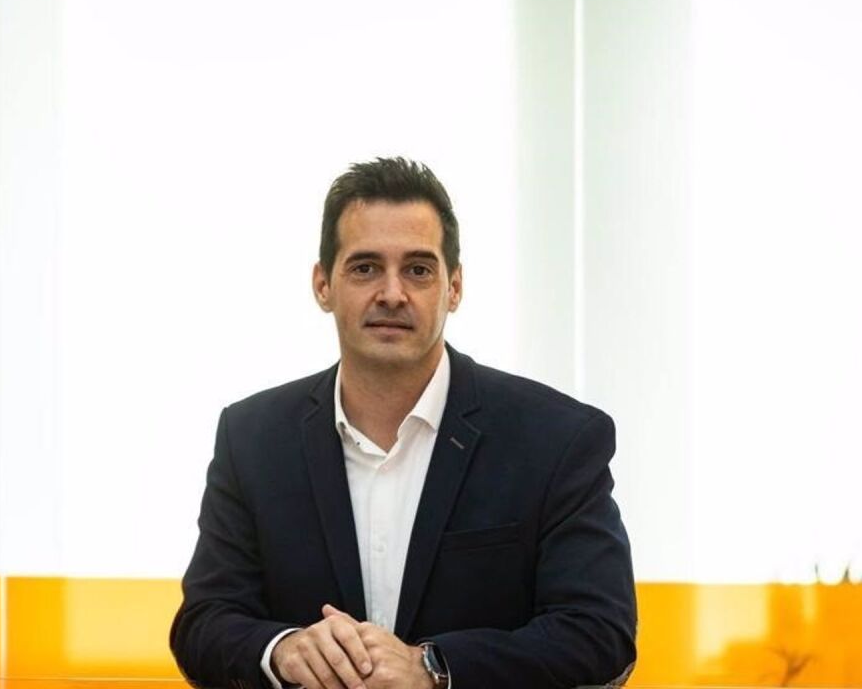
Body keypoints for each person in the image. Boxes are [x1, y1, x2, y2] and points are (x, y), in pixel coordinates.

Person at [170, 157, 637, 689]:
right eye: (365, 268)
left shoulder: (557, 439)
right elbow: (204, 622)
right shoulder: (252, 438)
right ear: (323, 285)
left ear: (453, 287)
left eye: (418, 270)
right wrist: (283, 651)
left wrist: (433, 668)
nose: (392, 293)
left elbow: (599, 633)